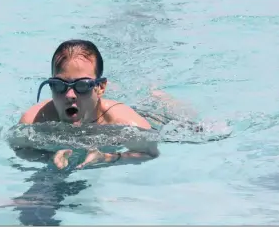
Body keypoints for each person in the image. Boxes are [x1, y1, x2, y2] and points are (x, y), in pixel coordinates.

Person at [17, 39, 186, 170]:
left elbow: (151, 153)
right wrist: (48, 157)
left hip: (151, 115)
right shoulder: (34, 120)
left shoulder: (125, 123)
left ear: (100, 87)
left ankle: (155, 95)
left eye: (82, 86)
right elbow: (21, 149)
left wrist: (108, 158)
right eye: (59, 85)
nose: (70, 95)